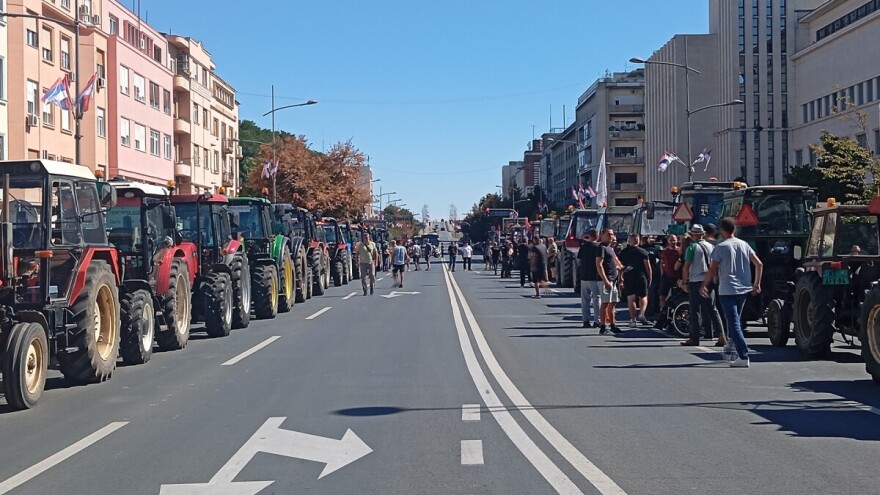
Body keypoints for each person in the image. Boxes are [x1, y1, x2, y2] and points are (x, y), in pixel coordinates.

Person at [700, 217, 764, 368]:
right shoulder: (744, 244)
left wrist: (704, 285)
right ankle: (732, 346)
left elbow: (712, 269)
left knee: (733, 323)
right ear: (734, 229)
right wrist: (757, 283)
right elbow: (759, 264)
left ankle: (743, 355)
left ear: (722, 230)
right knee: (736, 321)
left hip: (727, 289)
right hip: (743, 289)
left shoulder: (721, 247)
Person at [681, 224, 724, 347]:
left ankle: (694, 338)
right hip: (709, 280)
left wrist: (684, 282)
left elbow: (686, 266)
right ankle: (721, 335)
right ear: (703, 234)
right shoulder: (711, 246)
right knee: (712, 309)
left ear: (693, 235)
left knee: (694, 310)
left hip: (696, 280)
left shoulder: (692, 247)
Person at [618, 234, 652, 326]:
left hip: (629, 277)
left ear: (630, 241)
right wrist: (650, 277)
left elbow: (620, 266)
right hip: (641, 276)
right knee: (643, 296)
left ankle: (633, 320)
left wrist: (620, 278)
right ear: (638, 240)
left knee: (631, 298)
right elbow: (647, 266)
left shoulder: (623, 252)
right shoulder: (643, 251)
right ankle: (641, 314)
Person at [595, 228, 622, 335]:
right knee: (605, 303)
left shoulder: (609, 248)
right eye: (608, 234)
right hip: (606, 280)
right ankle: (603, 326)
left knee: (613, 303)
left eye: (612, 234)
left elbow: (613, 262)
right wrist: (605, 280)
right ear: (602, 235)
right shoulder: (601, 248)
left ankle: (612, 325)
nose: (611, 236)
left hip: (613, 279)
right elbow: (599, 264)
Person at [578, 229, 602, 328]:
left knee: (585, 300)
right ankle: (597, 320)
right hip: (595, 276)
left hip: (584, 276)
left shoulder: (583, 247)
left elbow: (579, 260)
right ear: (598, 236)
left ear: (589, 236)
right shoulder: (599, 247)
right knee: (597, 299)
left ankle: (585, 321)